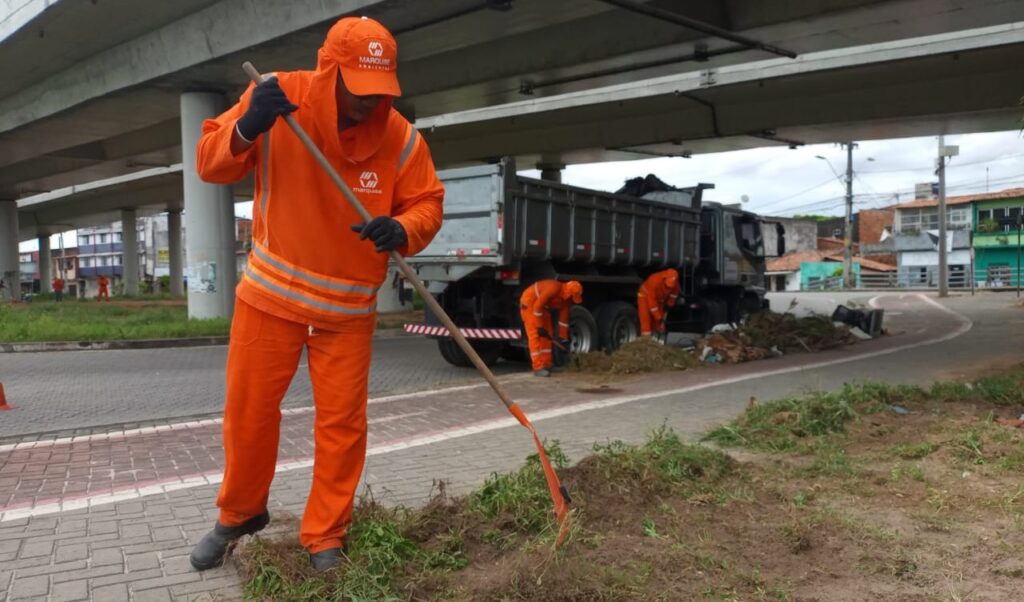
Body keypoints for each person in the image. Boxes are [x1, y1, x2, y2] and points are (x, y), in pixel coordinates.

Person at [188, 16, 444, 572]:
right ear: (330, 70)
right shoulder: (276, 98)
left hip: (347, 313)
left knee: (342, 428)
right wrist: (249, 126)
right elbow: (209, 162)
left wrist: (403, 229)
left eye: (380, 92)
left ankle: (325, 533)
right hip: (269, 298)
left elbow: (427, 202)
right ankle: (239, 513)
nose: (369, 102)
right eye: (358, 88)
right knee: (249, 415)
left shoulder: (401, 137)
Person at [519, 280, 583, 377]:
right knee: (535, 335)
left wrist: (563, 339)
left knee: (548, 333)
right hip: (529, 303)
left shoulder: (566, 301)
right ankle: (537, 367)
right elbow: (537, 307)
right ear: (568, 293)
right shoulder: (553, 288)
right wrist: (539, 326)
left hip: (541, 307)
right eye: (572, 296)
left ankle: (547, 364)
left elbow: (563, 321)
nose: (572, 299)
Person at [637, 268, 680, 339]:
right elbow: (652, 302)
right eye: (667, 285)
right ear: (664, 278)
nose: (668, 288)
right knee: (646, 319)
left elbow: (674, 295)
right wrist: (658, 317)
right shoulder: (654, 280)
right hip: (644, 296)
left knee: (659, 324)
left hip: (659, 300)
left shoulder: (675, 284)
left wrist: (669, 304)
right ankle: (645, 341)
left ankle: (658, 341)